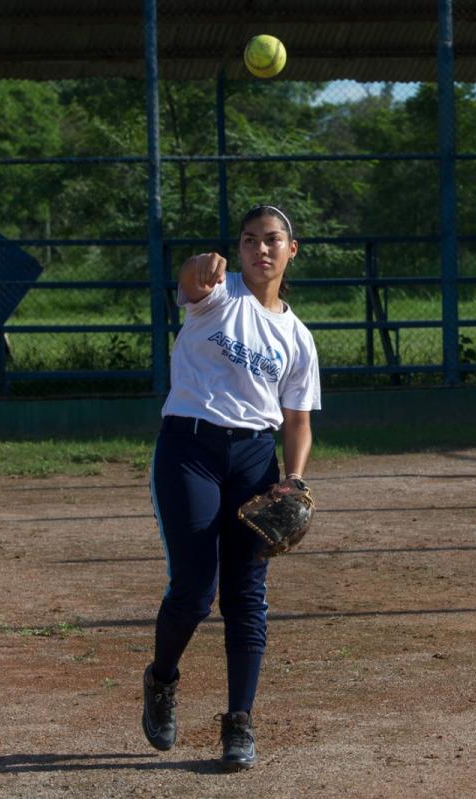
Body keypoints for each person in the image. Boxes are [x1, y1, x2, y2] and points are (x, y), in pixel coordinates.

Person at [143, 204, 321, 772]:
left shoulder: (298, 336)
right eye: (249, 240)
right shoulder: (220, 294)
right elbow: (192, 281)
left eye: (272, 240)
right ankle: (162, 679)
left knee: (246, 595)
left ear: (292, 250)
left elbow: (297, 421)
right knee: (194, 590)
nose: (260, 249)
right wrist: (198, 265)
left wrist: (293, 477)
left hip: (253, 459)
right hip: (189, 450)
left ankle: (239, 722)